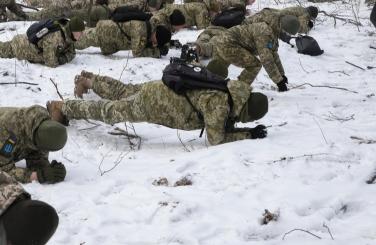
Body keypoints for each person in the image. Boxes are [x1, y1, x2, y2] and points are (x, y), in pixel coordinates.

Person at [49, 66, 269, 146]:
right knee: (109, 113)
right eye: (246, 119)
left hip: (160, 89)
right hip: (153, 104)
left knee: (123, 92)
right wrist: (247, 135)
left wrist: (245, 131)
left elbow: (221, 126)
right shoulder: (220, 105)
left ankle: (90, 80)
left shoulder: (232, 89)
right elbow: (216, 138)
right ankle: (62, 107)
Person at [211, 15, 300, 89]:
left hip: (225, 40)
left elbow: (273, 54)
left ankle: (209, 88)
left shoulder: (273, 30)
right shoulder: (265, 33)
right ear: (283, 28)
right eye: (288, 34)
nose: (288, 36)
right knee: (255, 65)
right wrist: (279, 81)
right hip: (229, 44)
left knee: (215, 74)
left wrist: (281, 74)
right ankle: (238, 90)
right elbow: (267, 60)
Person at [0, 16, 84, 68]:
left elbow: (72, 52)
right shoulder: (55, 38)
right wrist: (60, 61)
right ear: (73, 30)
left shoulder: (68, 36)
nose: (82, 34)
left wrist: (65, 58)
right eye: (80, 32)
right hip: (20, 48)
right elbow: (51, 63)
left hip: (25, 44)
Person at [74, 16, 173, 58]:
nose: (155, 43)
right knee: (76, 41)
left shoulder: (151, 25)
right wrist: (157, 52)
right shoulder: (141, 31)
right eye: (156, 41)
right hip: (104, 35)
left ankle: (65, 31)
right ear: (156, 35)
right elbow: (137, 53)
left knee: (82, 32)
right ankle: (63, 39)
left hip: (107, 28)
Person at [155, 1, 220, 29]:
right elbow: (202, 26)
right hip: (171, 11)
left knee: (153, 16)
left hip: (173, 10)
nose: (215, 15)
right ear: (212, 11)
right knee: (152, 16)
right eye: (215, 13)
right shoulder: (202, 9)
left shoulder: (203, 6)